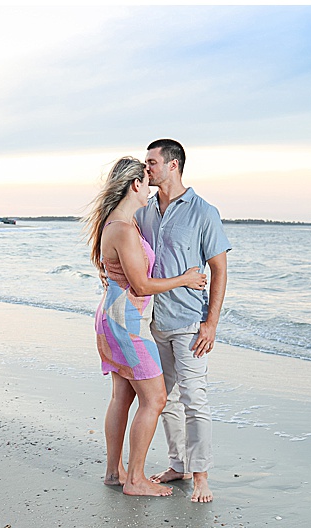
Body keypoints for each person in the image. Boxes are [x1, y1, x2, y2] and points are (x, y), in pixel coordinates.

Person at [84, 156, 207, 497]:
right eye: (146, 182)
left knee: (122, 396)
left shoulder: (121, 223)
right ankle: (135, 479)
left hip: (114, 319)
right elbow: (140, 286)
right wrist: (185, 279)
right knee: (155, 398)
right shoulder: (122, 229)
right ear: (135, 185)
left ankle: (114, 472)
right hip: (126, 325)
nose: (150, 188)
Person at [135, 139, 231, 503]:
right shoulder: (144, 211)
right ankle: (179, 465)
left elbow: (219, 269)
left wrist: (211, 323)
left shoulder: (204, 212)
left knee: (194, 399)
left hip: (191, 323)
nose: (147, 169)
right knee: (164, 400)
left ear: (173, 165)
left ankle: (202, 476)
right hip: (156, 321)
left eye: (152, 163)